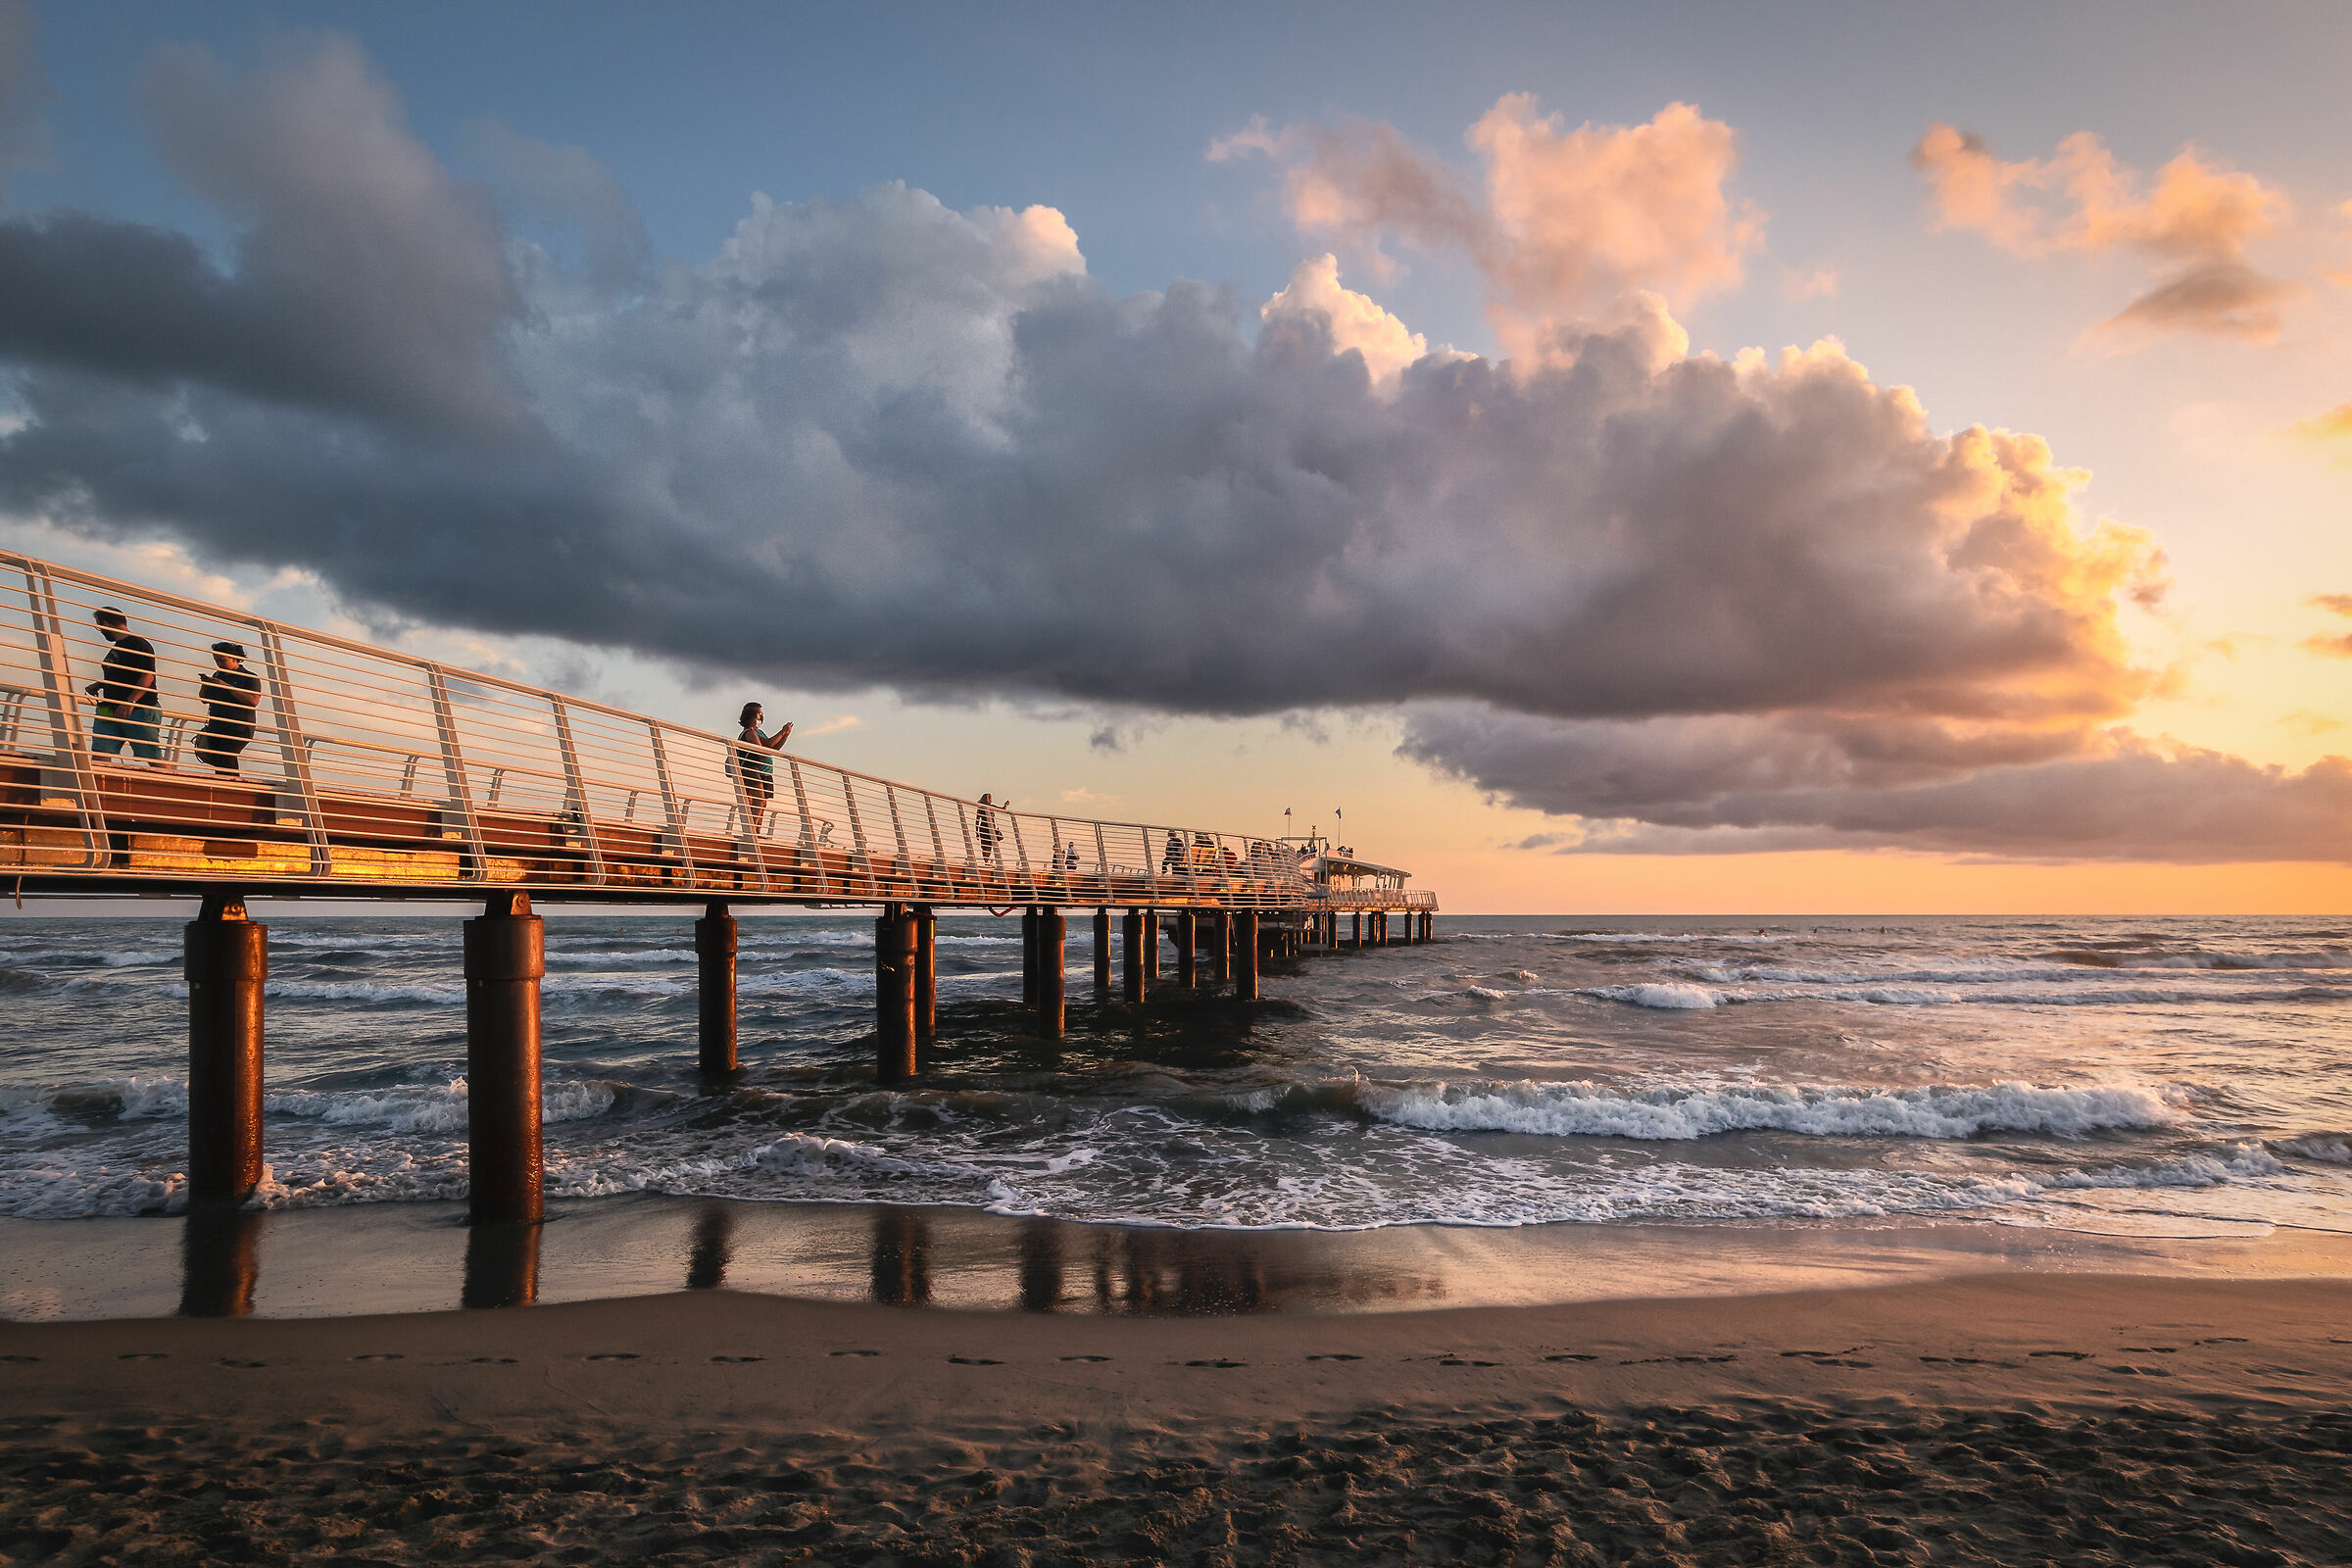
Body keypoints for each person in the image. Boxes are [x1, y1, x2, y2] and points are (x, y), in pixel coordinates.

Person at [84, 608, 162, 765]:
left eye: (99, 626)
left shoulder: (138, 644)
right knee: (100, 752)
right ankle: (100, 786)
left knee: (150, 755)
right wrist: (100, 684)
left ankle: (169, 786)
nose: (100, 631)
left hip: (137, 709)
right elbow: (123, 675)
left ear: (105, 623)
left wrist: (130, 701)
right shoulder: (119, 647)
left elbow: (147, 676)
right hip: (110, 708)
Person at [192, 642, 261, 774]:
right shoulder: (217, 674)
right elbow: (204, 699)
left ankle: (233, 788)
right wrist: (205, 685)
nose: (219, 664)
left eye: (222, 660)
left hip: (238, 728)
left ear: (234, 658)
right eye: (216, 660)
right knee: (220, 761)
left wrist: (226, 686)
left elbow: (253, 700)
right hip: (217, 726)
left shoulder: (249, 677)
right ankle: (228, 787)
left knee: (226, 756)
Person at [731, 703, 792, 824]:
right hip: (752, 770)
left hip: (762, 772)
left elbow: (772, 749)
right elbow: (766, 747)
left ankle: (756, 832)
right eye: (759, 714)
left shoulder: (758, 732)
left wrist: (785, 735)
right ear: (752, 716)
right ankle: (752, 830)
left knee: (762, 803)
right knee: (758, 801)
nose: (761, 717)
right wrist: (781, 732)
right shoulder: (749, 733)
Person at [974, 793, 1004, 863]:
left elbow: (977, 821)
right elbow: (1003, 809)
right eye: (990, 798)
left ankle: (986, 861)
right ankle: (986, 861)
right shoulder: (988, 808)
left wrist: (977, 832)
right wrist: (977, 832)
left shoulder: (981, 808)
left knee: (985, 846)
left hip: (984, 828)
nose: (991, 800)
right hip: (987, 829)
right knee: (988, 846)